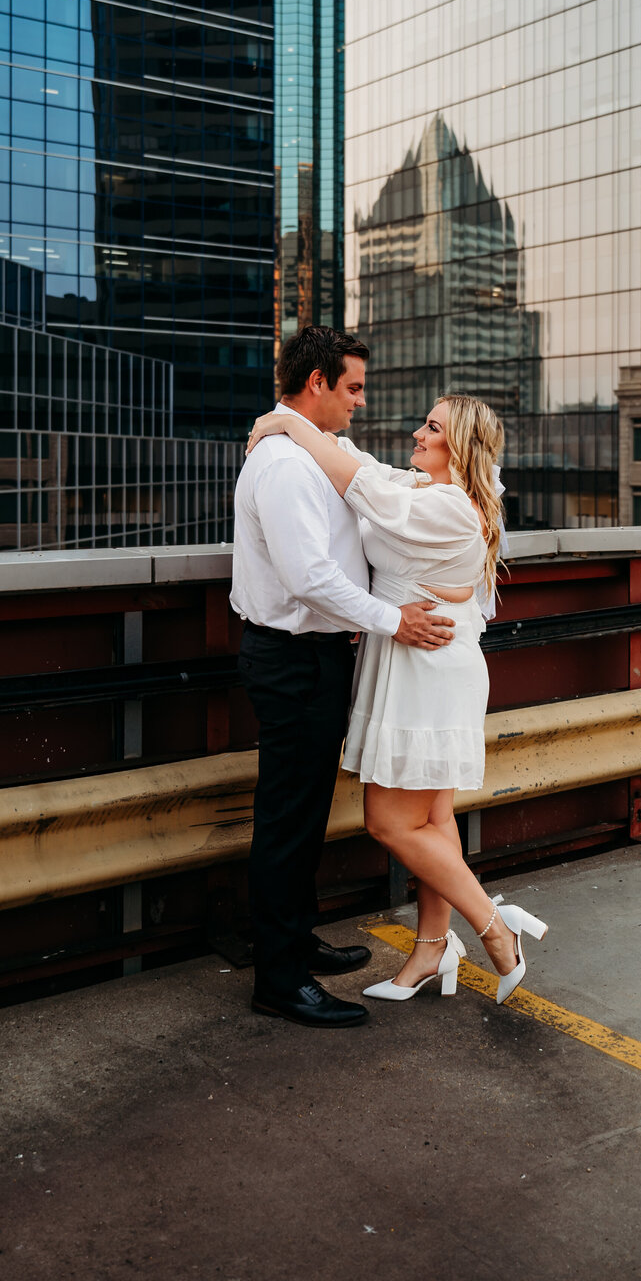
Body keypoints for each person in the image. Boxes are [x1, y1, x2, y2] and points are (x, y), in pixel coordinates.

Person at [246, 393, 548, 1006]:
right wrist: (300, 426)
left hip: (425, 670)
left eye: (431, 427)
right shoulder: (427, 490)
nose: (416, 432)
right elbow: (369, 468)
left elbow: (358, 480)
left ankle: (493, 928)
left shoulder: (449, 507)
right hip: (420, 660)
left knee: (387, 820)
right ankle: (430, 952)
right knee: (433, 820)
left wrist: (286, 424)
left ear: (457, 446)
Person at [231, 326, 457, 1030]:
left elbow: (368, 471)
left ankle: (293, 943)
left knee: (301, 817)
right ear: (319, 384)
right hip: (293, 658)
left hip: (318, 659)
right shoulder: (284, 465)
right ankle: (279, 978)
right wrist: (394, 620)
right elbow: (310, 577)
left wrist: (279, 419)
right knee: (288, 823)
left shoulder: (310, 450)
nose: (362, 402)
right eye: (353, 387)